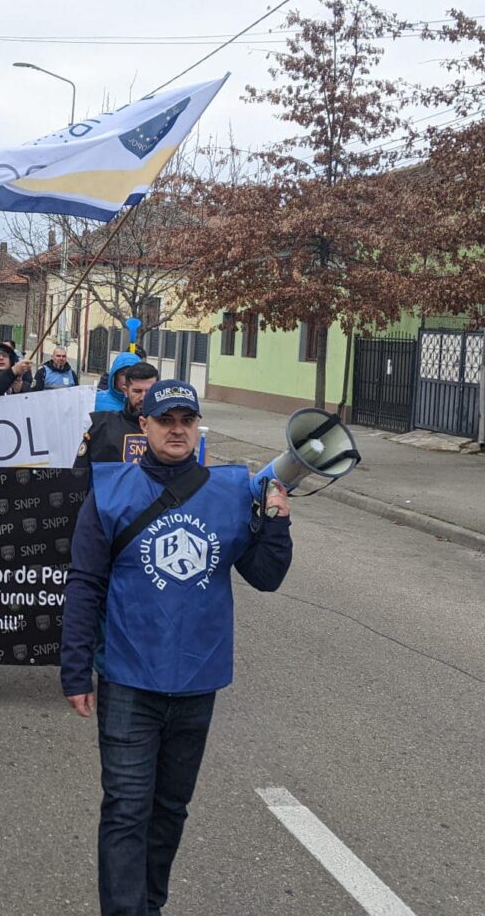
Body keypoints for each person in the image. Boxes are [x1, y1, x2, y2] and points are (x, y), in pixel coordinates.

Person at [61, 381, 292, 916]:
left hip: (196, 680)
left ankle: (149, 904)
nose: (177, 429)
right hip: (128, 677)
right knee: (126, 808)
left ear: (197, 427)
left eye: (187, 420)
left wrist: (276, 524)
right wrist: (74, 669)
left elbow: (265, 576)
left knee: (170, 809)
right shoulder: (111, 491)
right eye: (165, 419)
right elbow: (85, 582)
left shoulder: (230, 493)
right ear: (143, 425)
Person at [74, 362, 160, 472]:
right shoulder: (102, 426)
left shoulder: (168, 429)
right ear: (125, 391)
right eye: (137, 391)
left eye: (149, 391)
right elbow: (80, 472)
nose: (143, 397)